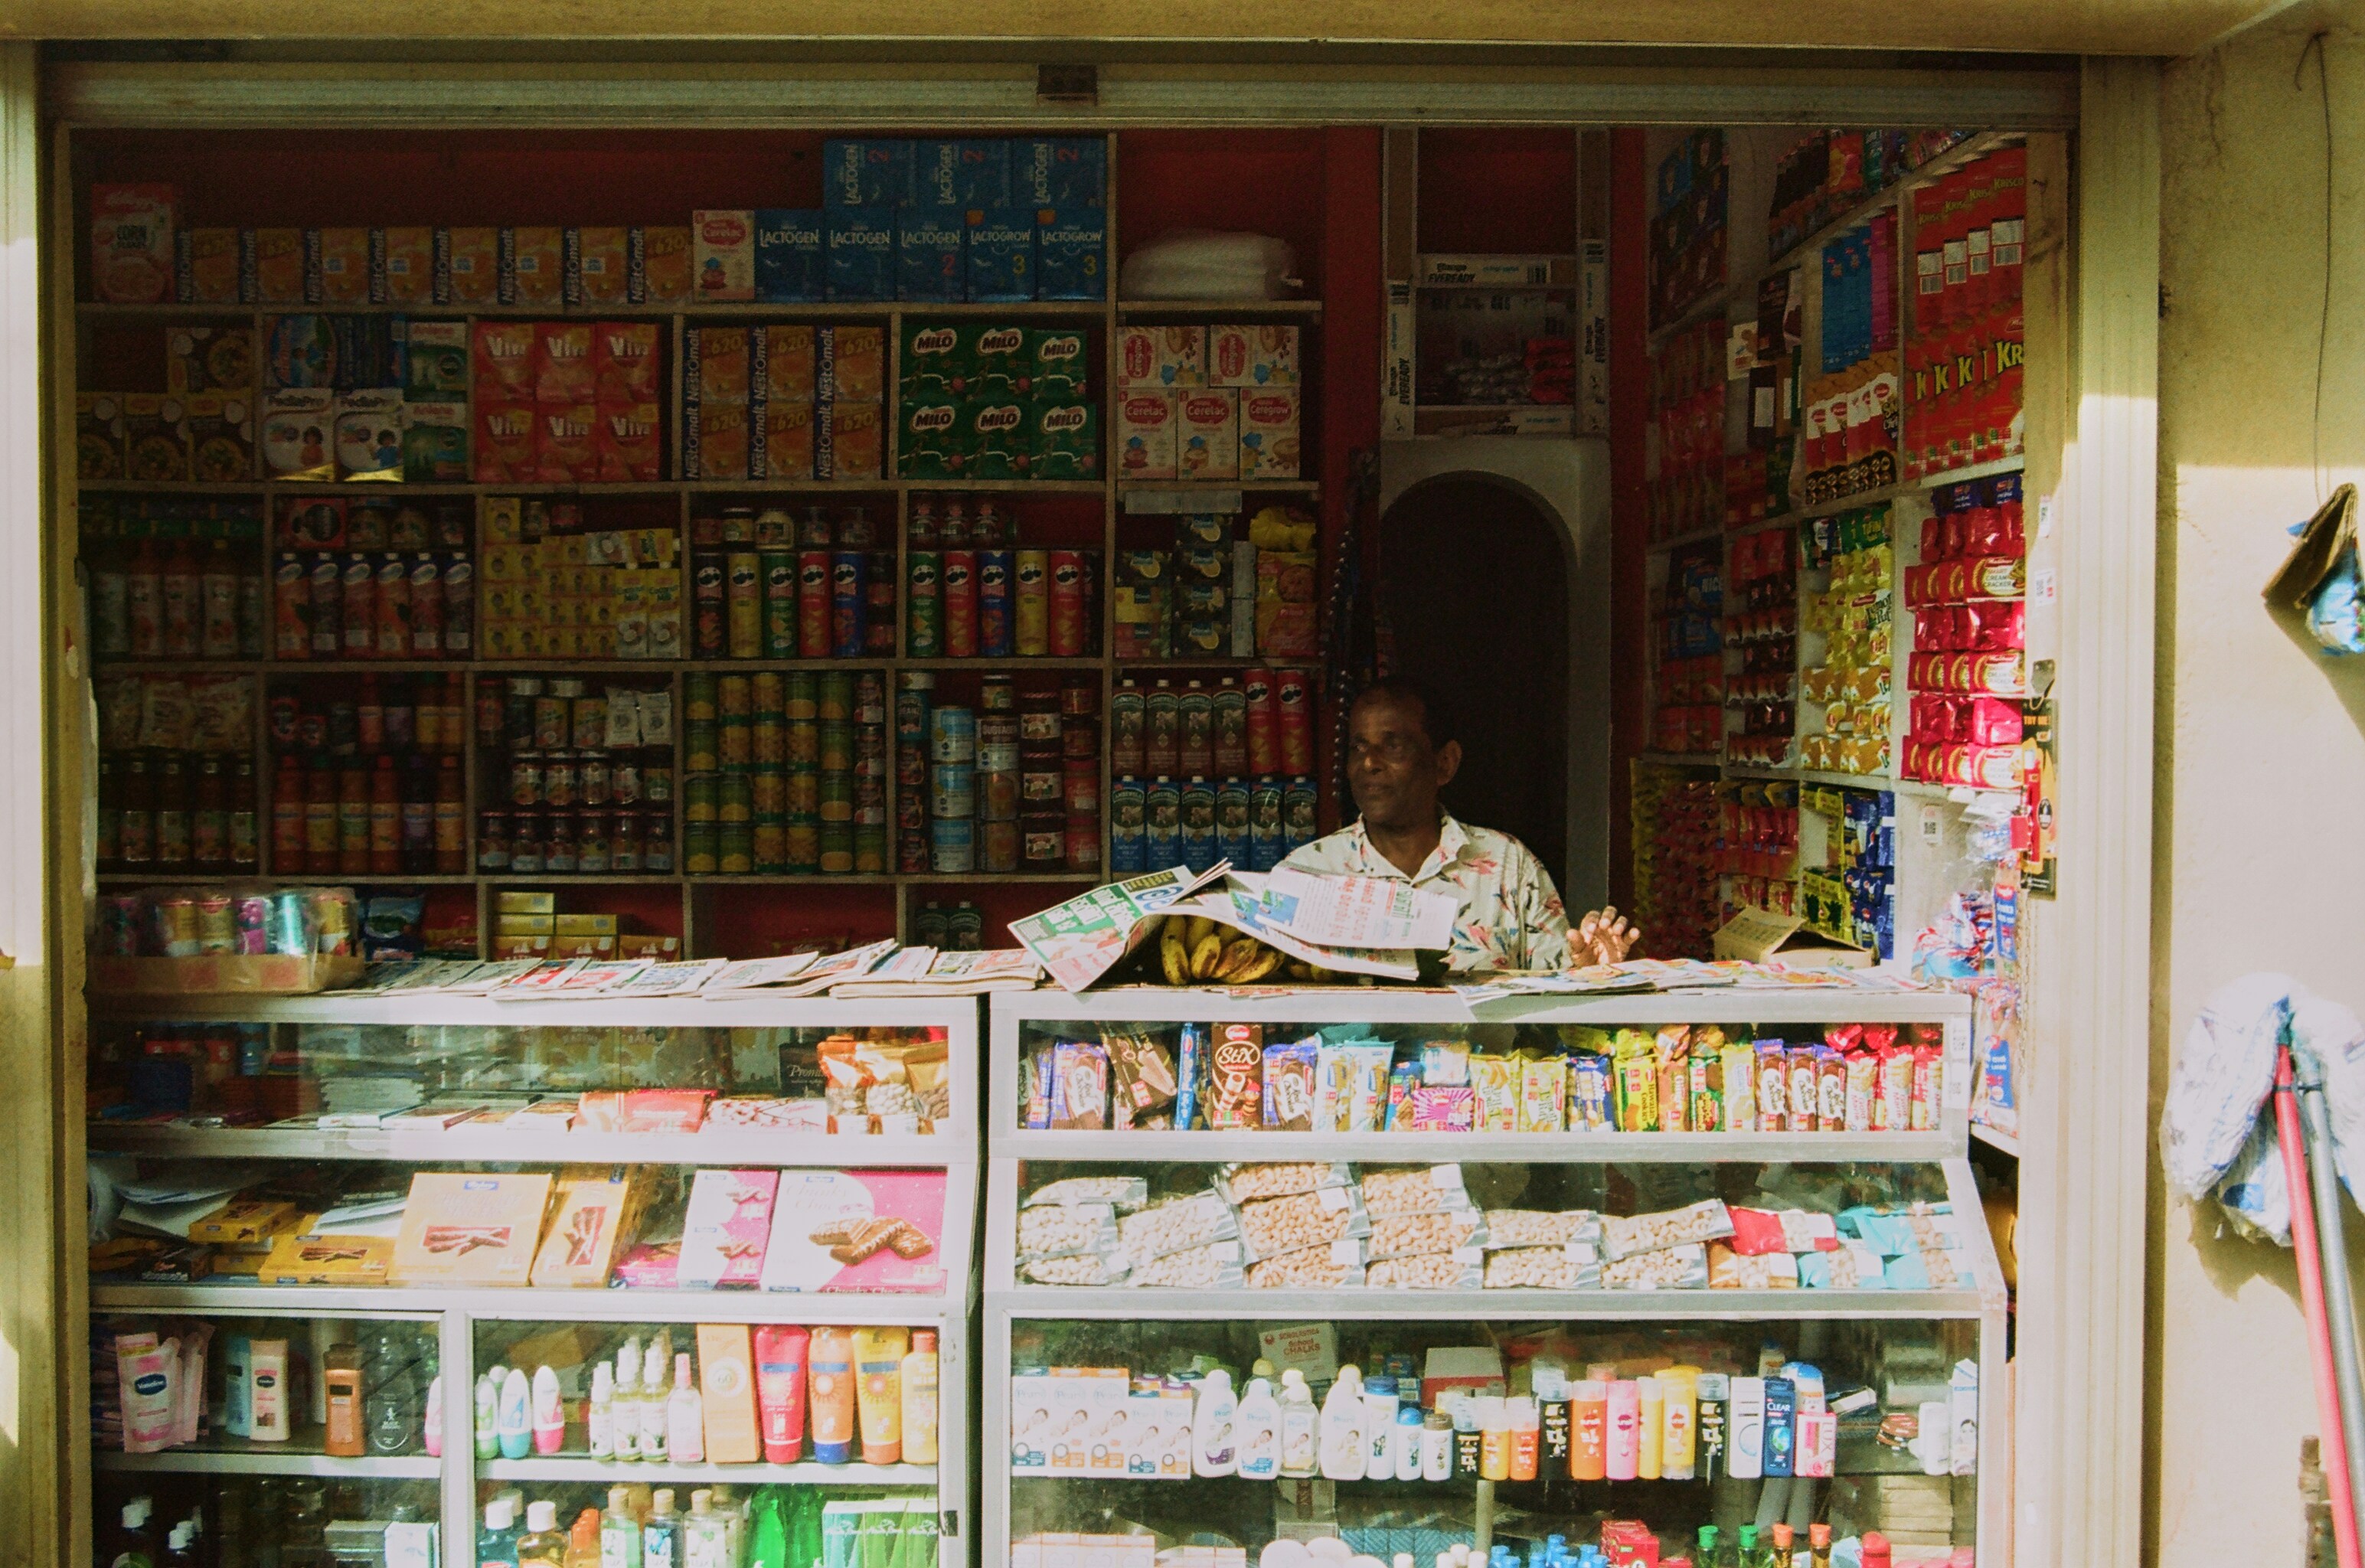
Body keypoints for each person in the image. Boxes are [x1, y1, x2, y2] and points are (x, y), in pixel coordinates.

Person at [1279, 673, 1638, 974]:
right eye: (1358, 747)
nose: (1369, 763)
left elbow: (1555, 991)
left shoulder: (1508, 865)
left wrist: (1590, 970)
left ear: (1445, 763)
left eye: (1393, 746)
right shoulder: (1305, 875)